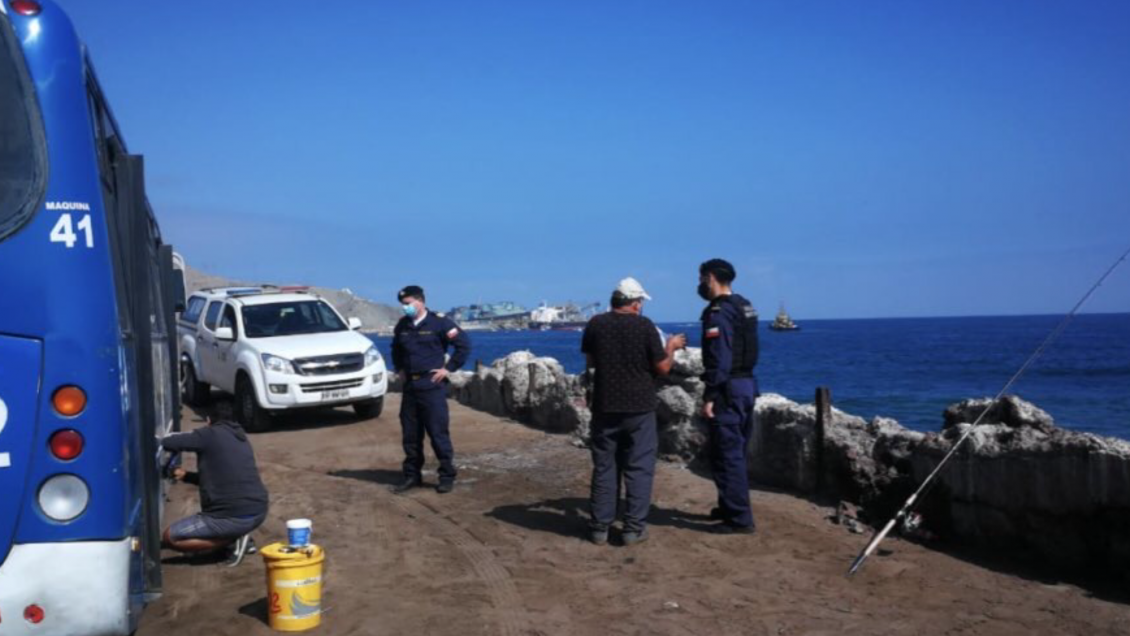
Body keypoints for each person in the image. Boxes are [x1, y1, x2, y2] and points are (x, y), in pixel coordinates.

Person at [581, 277, 686, 546]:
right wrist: (671, 347)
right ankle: (632, 529)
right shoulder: (644, 326)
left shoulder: (595, 324)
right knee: (639, 467)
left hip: (605, 405)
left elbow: (591, 361)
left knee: (605, 467)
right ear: (636, 303)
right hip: (639, 407)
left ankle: (599, 527)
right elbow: (662, 368)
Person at [161, 402, 270, 566]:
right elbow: (221, 479)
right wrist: (185, 476)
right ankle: (237, 535)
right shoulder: (240, 437)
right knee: (214, 522)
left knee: (170, 537)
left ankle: (232, 540)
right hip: (258, 511)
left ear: (208, 420)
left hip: (232, 516)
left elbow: (170, 442)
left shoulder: (209, 434)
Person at [697, 258, 759, 535]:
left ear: (710, 278)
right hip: (747, 385)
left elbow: (720, 356)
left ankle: (739, 519)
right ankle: (729, 506)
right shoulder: (744, 306)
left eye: (700, 278)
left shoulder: (718, 312)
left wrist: (711, 394)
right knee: (736, 451)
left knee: (726, 455)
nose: (698, 284)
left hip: (728, 390)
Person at [391, 285, 472, 495]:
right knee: (410, 435)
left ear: (420, 301)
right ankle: (412, 476)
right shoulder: (403, 325)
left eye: (408, 304)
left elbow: (463, 346)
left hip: (431, 386)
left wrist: (448, 369)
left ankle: (446, 476)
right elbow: (395, 348)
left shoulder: (439, 322)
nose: (405, 308)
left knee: (438, 433)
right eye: (403, 304)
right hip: (410, 387)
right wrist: (399, 368)